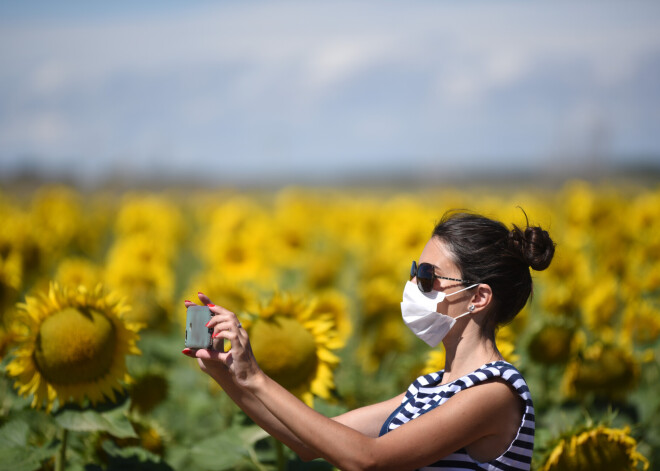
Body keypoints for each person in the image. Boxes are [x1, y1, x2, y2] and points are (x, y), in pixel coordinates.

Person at [182, 211, 555, 471]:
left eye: (427, 278)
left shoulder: (495, 392)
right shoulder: (429, 387)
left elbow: (368, 459)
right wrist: (231, 376)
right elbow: (309, 443)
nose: (412, 287)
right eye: (414, 273)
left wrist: (258, 379)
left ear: (478, 297)